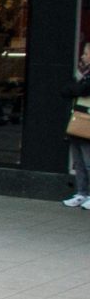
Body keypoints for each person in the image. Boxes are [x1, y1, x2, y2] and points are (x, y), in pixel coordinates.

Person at [63, 41, 90, 210]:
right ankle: (82, 193)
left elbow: (82, 90)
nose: (83, 56)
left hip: (87, 120)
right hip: (77, 120)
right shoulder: (82, 73)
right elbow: (66, 89)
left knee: (88, 161)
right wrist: (76, 87)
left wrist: (76, 88)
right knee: (78, 161)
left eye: (86, 53)